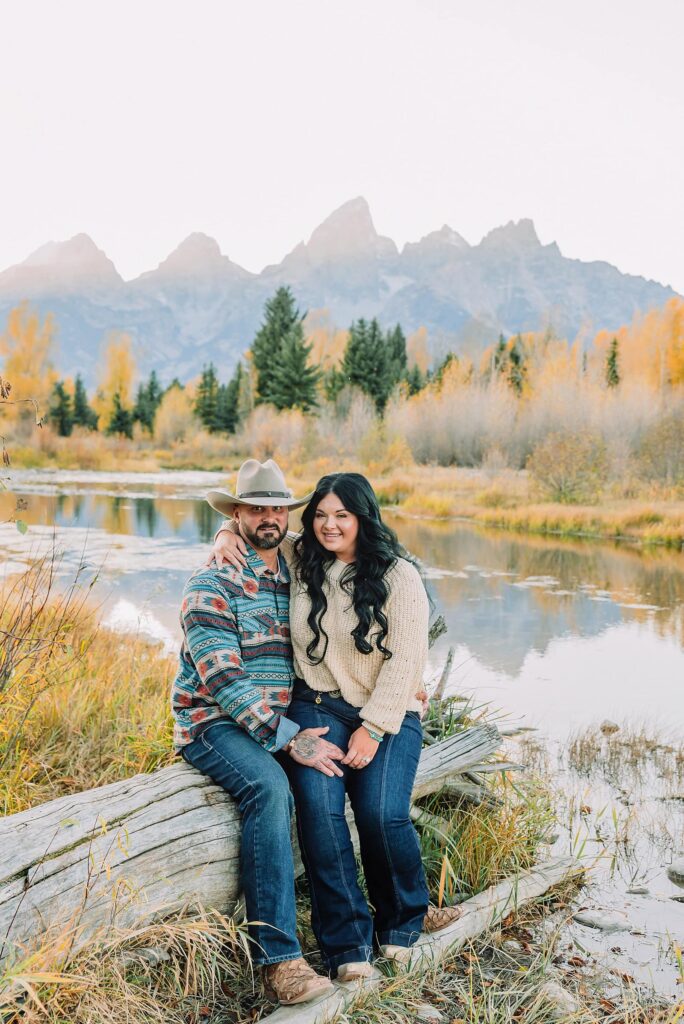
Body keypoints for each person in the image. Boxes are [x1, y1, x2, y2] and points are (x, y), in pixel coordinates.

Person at [212, 471, 462, 983]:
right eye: (321, 515)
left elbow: (407, 658)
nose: (329, 525)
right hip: (318, 707)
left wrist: (373, 728)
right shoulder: (304, 556)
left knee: (380, 813)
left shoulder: (399, 575)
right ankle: (347, 946)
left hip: (388, 712)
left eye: (342, 515)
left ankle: (402, 922)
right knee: (321, 815)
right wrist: (222, 533)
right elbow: (261, 529)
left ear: (362, 517)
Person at [172, 458, 345, 1006]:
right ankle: (278, 962)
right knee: (270, 787)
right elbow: (223, 680)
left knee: (331, 778)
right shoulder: (211, 582)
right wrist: (290, 738)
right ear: (237, 513)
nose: (269, 517)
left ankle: (365, 931)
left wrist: (406, 680)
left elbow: (373, 571)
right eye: (255, 509)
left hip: (276, 717)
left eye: (278, 508)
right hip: (212, 723)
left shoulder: (297, 570)